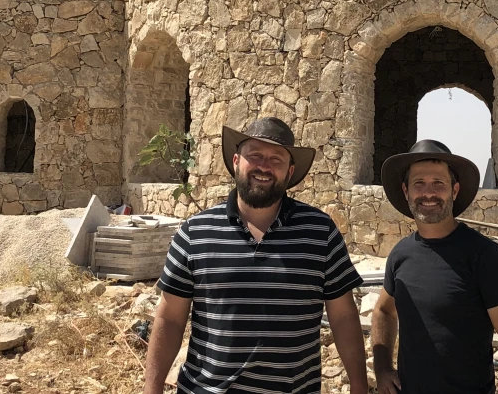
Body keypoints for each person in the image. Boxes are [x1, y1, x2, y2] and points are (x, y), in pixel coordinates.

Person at [143, 117, 369, 394]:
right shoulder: (194, 232)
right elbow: (170, 319)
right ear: (236, 161)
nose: (264, 166)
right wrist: (151, 388)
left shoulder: (320, 232)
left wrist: (359, 386)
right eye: (255, 155)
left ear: (290, 171)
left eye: (277, 159)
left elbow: (343, 316)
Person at [370, 140, 498, 394]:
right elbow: (383, 311)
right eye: (418, 183)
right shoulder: (400, 254)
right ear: (406, 191)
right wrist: (382, 369)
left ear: (454, 190)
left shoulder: (484, 256)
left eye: (439, 183)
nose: (428, 193)